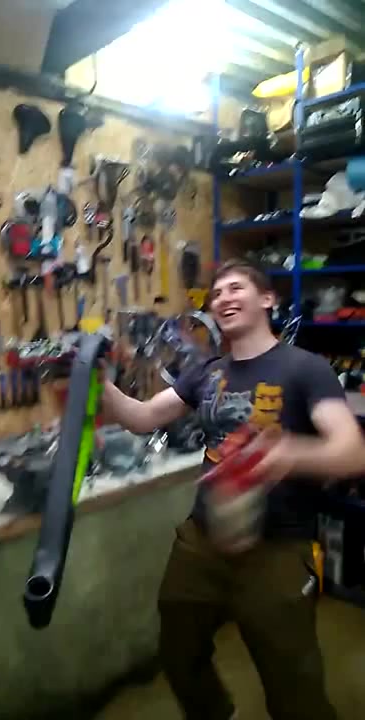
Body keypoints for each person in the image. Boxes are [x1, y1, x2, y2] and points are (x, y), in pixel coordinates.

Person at [102, 259, 365, 720]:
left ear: (267, 299)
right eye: (217, 292)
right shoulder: (206, 372)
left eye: (236, 288)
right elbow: (142, 417)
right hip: (202, 540)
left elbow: (352, 452)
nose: (223, 297)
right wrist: (94, 381)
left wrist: (288, 453)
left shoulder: (305, 368)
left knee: (294, 685)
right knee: (179, 653)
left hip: (277, 546)